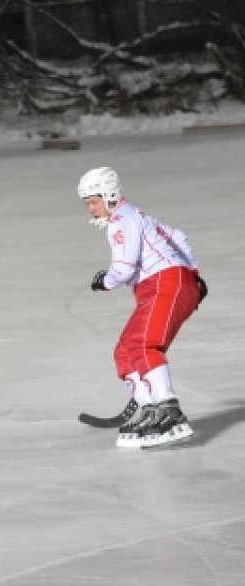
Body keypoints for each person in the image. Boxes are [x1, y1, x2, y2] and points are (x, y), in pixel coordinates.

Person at [78, 167, 207, 449]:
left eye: (93, 201)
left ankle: (169, 411)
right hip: (166, 285)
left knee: (144, 345)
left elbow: (123, 269)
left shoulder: (121, 220)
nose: (91, 209)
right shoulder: (136, 215)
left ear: (109, 195)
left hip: (166, 284)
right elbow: (178, 236)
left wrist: (105, 281)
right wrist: (194, 274)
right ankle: (150, 408)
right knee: (125, 351)